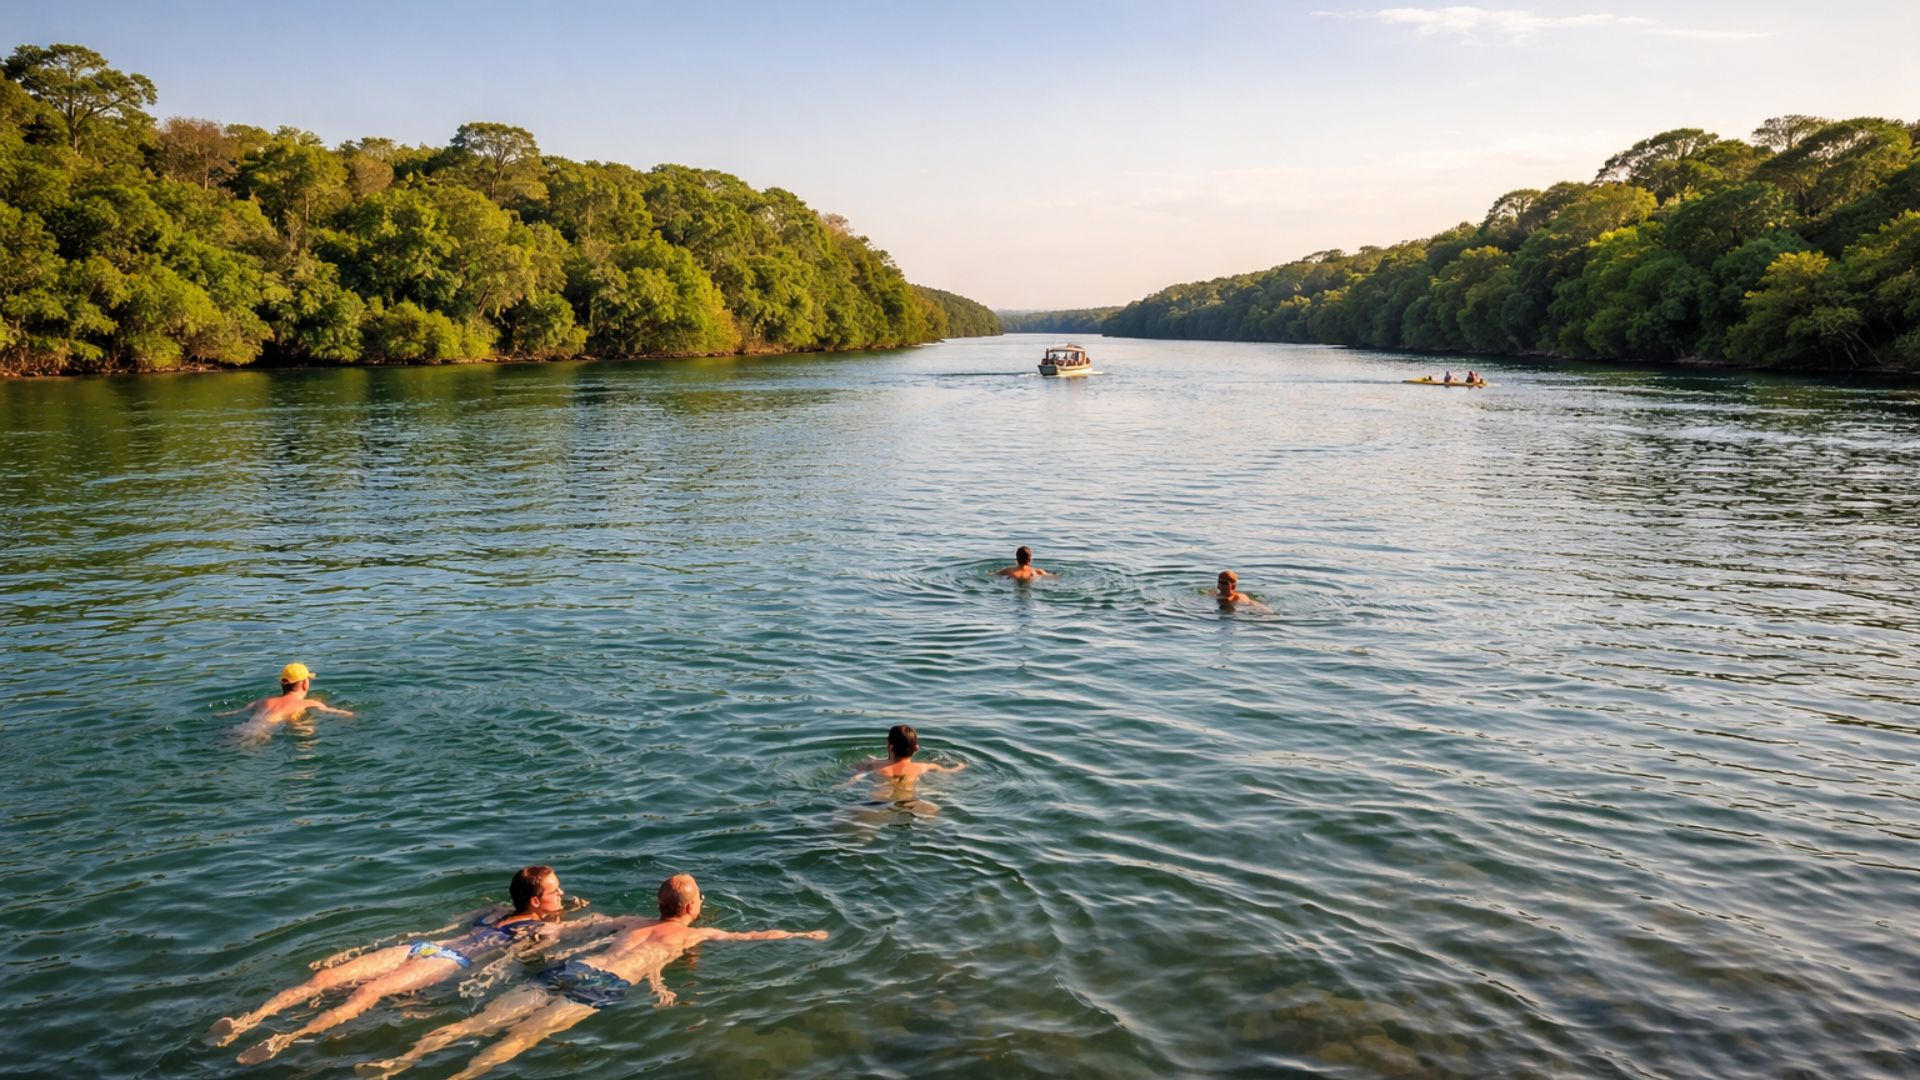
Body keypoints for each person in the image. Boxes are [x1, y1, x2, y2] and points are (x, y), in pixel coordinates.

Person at [358, 874, 826, 1080]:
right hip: (603, 988)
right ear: (690, 909)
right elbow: (757, 935)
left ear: (658, 905)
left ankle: (397, 1064)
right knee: (519, 1040)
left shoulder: (630, 922)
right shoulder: (694, 935)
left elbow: (584, 929)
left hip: (571, 968)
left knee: (474, 1024)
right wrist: (806, 933)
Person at [209, 866, 586, 1064]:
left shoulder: (538, 927)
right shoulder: (498, 913)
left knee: (368, 991)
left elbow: (526, 958)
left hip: (451, 961)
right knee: (325, 977)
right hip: (428, 948)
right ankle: (247, 1020)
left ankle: (284, 1039)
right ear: (535, 900)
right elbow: (443, 929)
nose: (562, 894)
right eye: (556, 891)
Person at [217, 662, 352, 739]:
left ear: (282, 684)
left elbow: (230, 713)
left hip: (237, 729)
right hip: (260, 735)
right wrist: (352, 715)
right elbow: (338, 713)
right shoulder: (310, 703)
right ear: (305, 684)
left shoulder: (262, 701)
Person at [851, 724, 966, 782]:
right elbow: (950, 771)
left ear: (890, 746)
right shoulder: (924, 767)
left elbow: (854, 777)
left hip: (879, 800)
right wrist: (961, 766)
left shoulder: (873, 764)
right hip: (910, 801)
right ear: (916, 748)